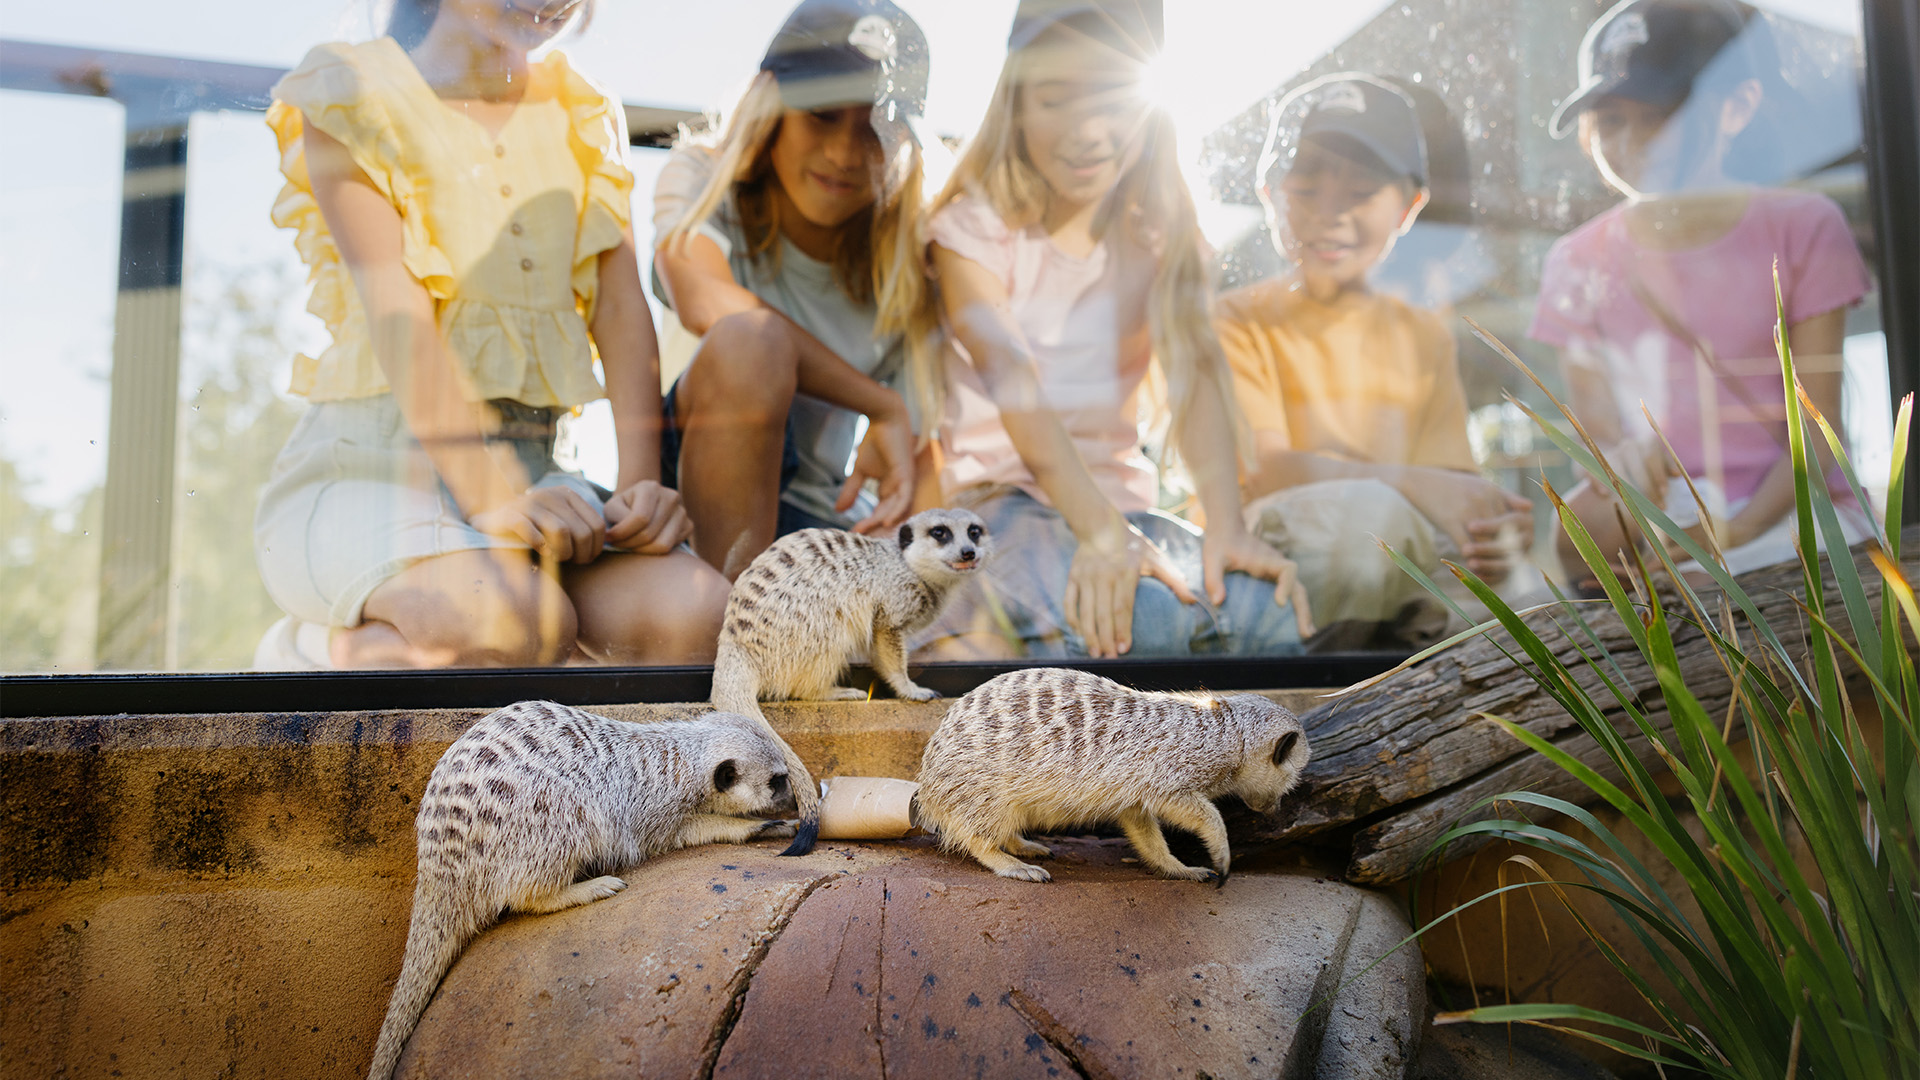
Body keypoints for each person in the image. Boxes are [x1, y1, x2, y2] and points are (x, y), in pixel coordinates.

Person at [253, 0, 729, 669]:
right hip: (373, 473)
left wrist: (637, 489)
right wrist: (493, 497)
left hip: (543, 485)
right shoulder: (351, 89)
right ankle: (329, 644)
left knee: (698, 618)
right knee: (518, 625)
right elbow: (400, 316)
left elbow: (622, 313)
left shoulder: (583, 111)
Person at [907, 0, 1312, 660]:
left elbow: (1196, 368)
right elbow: (1009, 368)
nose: (1086, 130)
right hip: (999, 507)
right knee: (1139, 626)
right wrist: (1097, 533)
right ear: (1014, 104)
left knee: (1271, 620)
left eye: (1113, 98)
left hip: (1123, 511)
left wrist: (1226, 525)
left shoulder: (1158, 227)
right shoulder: (976, 226)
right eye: (1055, 99)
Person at [1530, 0, 1873, 578]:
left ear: (1737, 106)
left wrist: (1727, 536)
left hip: (1797, 507)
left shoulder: (1803, 226)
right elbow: (1597, 428)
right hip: (1669, 507)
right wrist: (1625, 465)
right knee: (1580, 527)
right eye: (1612, 119)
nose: (1633, 141)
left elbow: (1818, 427)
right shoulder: (1575, 260)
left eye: (1661, 114)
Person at [1217, 73, 1533, 649]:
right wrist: (1410, 484)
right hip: (1273, 569)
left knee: (1529, 595)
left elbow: (1451, 483)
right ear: (1269, 193)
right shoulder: (1234, 320)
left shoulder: (1420, 331)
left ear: (1409, 208)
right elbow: (1263, 470)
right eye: (1307, 191)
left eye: (1361, 192)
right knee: (1371, 518)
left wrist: (1491, 525)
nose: (1330, 215)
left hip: (1392, 554)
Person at [652, 0, 931, 581]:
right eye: (822, 114)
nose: (844, 154)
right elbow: (704, 301)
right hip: (683, 488)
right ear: (770, 102)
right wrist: (879, 402)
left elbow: (915, 464)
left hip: (818, 517)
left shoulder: (905, 268)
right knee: (750, 345)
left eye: (876, 130)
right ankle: (735, 633)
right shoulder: (704, 179)